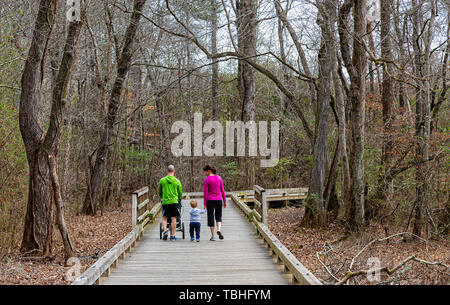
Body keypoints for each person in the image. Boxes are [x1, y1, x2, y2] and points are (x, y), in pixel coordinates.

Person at [158, 165, 182, 241]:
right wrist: (177, 198)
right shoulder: (177, 181)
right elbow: (180, 193)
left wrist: (163, 197)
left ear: (167, 171)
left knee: (164, 217)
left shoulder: (162, 180)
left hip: (165, 202)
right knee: (173, 218)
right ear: (174, 171)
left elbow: (159, 192)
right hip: (174, 201)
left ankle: (165, 231)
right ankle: (172, 235)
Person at [203, 165, 226, 241]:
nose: (205, 173)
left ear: (209, 171)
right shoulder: (219, 178)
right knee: (218, 215)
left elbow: (205, 193)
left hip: (210, 200)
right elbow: (222, 191)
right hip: (218, 199)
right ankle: (218, 229)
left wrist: (205, 204)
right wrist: (224, 201)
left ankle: (213, 236)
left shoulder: (206, 180)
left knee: (211, 216)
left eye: (205, 171)